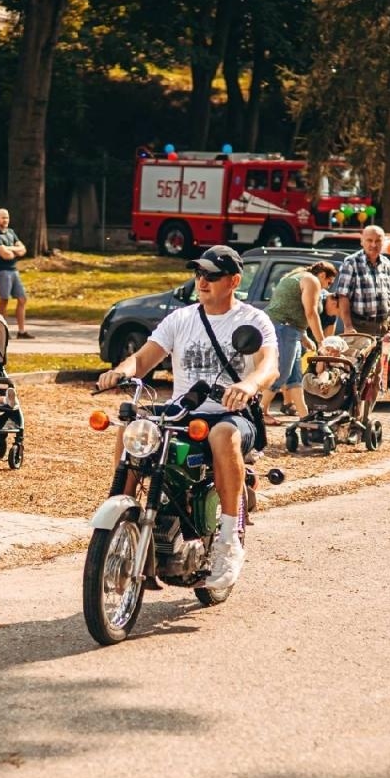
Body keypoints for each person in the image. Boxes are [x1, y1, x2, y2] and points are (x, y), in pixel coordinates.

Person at [95, 245, 277, 591]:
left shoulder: (253, 320)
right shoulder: (181, 319)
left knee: (222, 434)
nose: (202, 281)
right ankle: (122, 524)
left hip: (231, 414)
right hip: (184, 411)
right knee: (133, 428)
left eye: (211, 275)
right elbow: (144, 358)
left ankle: (228, 540)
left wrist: (249, 383)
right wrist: (120, 371)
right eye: (199, 274)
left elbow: (270, 365)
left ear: (234, 280)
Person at [331, 225, 390, 419]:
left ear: (383, 242)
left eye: (378, 241)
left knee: (377, 375)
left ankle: (365, 418)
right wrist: (348, 326)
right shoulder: (351, 262)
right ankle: (349, 415)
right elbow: (343, 296)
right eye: (369, 240)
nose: (373, 245)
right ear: (362, 241)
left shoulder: (387, 264)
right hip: (359, 326)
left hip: (382, 327)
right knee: (354, 373)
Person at [265, 260, 336, 422]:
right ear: (322, 275)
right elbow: (311, 313)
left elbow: (293, 307)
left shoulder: (299, 276)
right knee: (282, 372)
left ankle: (304, 415)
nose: (327, 287)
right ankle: (261, 411)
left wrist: (304, 337)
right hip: (284, 329)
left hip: (291, 330)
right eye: (328, 282)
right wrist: (321, 342)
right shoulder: (311, 281)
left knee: (294, 377)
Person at [0, 208, 32, 338]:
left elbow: (23, 250)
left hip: (14, 270)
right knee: (4, 300)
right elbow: (5, 255)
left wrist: (10, 248)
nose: (5, 220)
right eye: (2, 217)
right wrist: (14, 251)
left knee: (22, 299)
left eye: (7, 217)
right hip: (2, 271)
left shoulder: (11, 232)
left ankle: (21, 331)